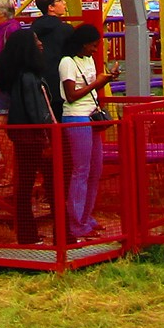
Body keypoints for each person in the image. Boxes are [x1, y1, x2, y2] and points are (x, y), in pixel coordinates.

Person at [0, 28, 59, 245]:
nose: (41, 44)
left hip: (26, 137)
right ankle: (59, 233)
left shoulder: (20, 77)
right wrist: (47, 138)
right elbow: (36, 110)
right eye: (36, 40)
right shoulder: (29, 78)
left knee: (26, 185)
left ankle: (28, 234)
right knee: (52, 186)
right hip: (35, 139)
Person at [57, 23, 116, 241]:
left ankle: (86, 216)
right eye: (92, 46)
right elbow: (72, 95)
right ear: (82, 44)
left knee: (95, 170)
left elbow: (90, 87)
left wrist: (106, 79)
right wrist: (97, 84)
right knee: (81, 171)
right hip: (76, 117)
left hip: (91, 115)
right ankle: (76, 221)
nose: (95, 50)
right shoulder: (67, 63)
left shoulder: (88, 60)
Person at [29, 0, 72, 106]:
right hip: (61, 80)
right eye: (60, 0)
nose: (64, 3)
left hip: (39, 79)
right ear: (51, 7)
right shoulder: (66, 29)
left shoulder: (34, 28)